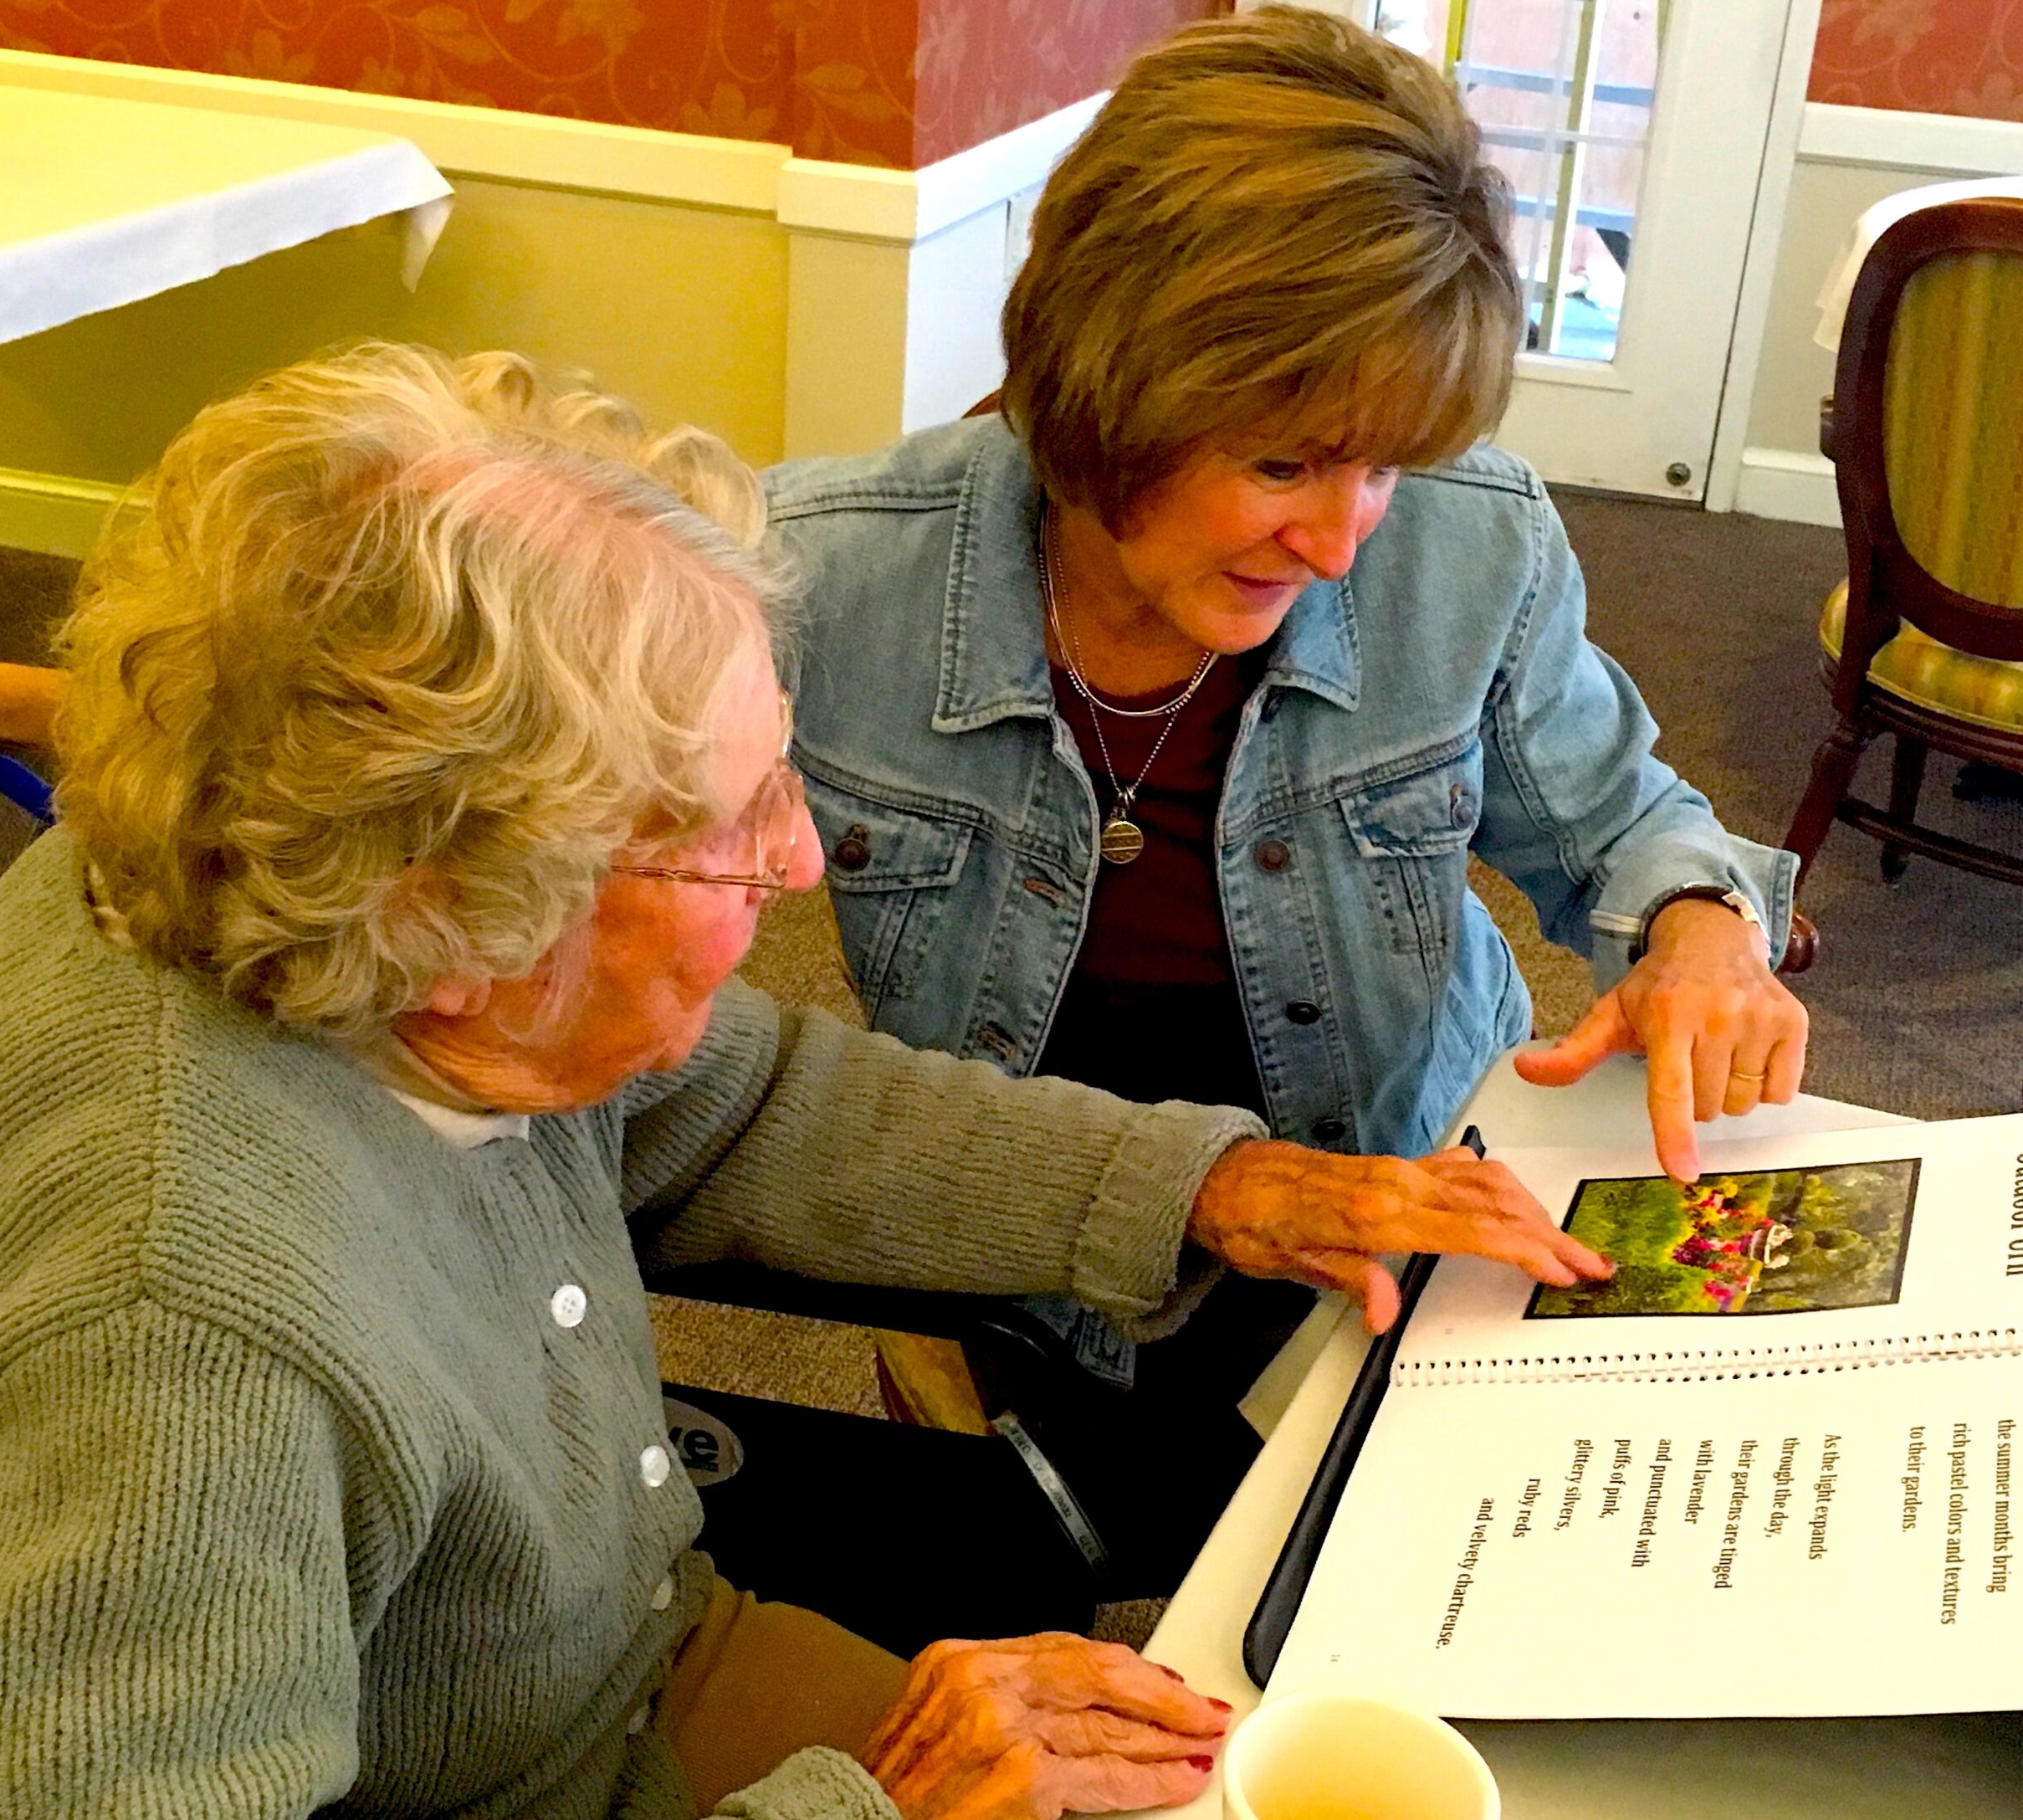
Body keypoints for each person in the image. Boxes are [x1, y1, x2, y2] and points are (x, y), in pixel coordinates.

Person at [0, 342, 1607, 1820]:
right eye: (730, 822)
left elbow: (757, 1112)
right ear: (458, 913)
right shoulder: (181, 1347)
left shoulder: (340, 891)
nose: (802, 855)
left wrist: (1211, 1185)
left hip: (633, 1659)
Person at [762, 7, 1809, 1591]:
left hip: (1392, 1215)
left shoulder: (1473, 546)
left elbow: (1620, 814)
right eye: (1284, 467)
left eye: (1385, 466)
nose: (1343, 539)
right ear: (1105, 384)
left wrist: (1700, 923)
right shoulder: (817, 579)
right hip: (1023, 1234)